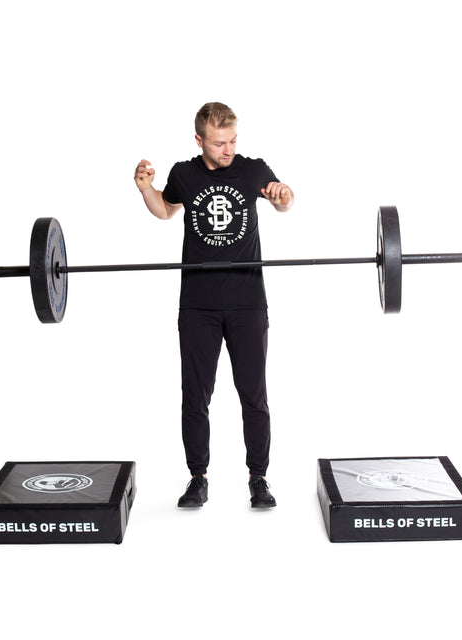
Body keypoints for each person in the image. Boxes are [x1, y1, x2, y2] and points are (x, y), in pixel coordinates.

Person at [134, 102, 294, 509]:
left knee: (253, 396)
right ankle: (197, 478)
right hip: (198, 306)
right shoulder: (183, 174)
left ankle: (259, 479)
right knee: (195, 397)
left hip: (247, 304)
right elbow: (167, 210)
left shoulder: (253, 169)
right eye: (219, 142)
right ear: (199, 140)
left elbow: (283, 201)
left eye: (233, 140)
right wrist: (145, 190)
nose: (228, 149)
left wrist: (283, 194)